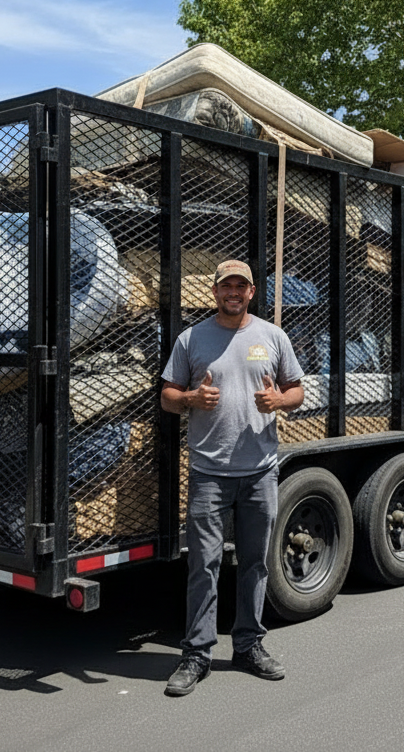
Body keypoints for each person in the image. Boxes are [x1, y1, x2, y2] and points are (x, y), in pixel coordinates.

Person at [160, 259, 305, 697]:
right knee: (203, 565)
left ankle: (248, 646)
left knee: (256, 563)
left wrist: (279, 400)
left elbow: (297, 390)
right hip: (209, 474)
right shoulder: (192, 338)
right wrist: (189, 397)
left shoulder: (272, 336)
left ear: (251, 292)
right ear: (215, 292)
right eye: (226, 287)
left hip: (260, 472)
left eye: (240, 287)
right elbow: (167, 396)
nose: (233, 294)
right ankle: (197, 654)